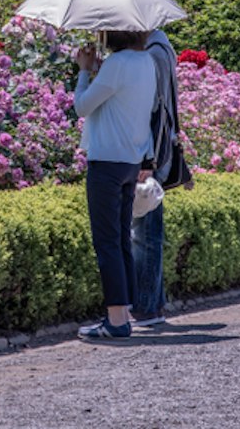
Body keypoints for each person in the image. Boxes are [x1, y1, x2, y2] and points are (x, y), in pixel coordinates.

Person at [72, 28, 156, 339]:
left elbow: (82, 106)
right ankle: (125, 312)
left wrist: (84, 72)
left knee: (107, 241)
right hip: (130, 160)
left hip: (106, 161)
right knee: (121, 238)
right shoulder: (145, 61)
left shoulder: (117, 64)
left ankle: (117, 319)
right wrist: (98, 71)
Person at [131, 28, 180, 328]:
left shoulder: (153, 54)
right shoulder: (162, 48)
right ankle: (154, 304)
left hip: (150, 153)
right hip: (156, 151)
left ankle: (147, 308)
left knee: (145, 234)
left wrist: (145, 158)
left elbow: (151, 108)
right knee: (148, 231)